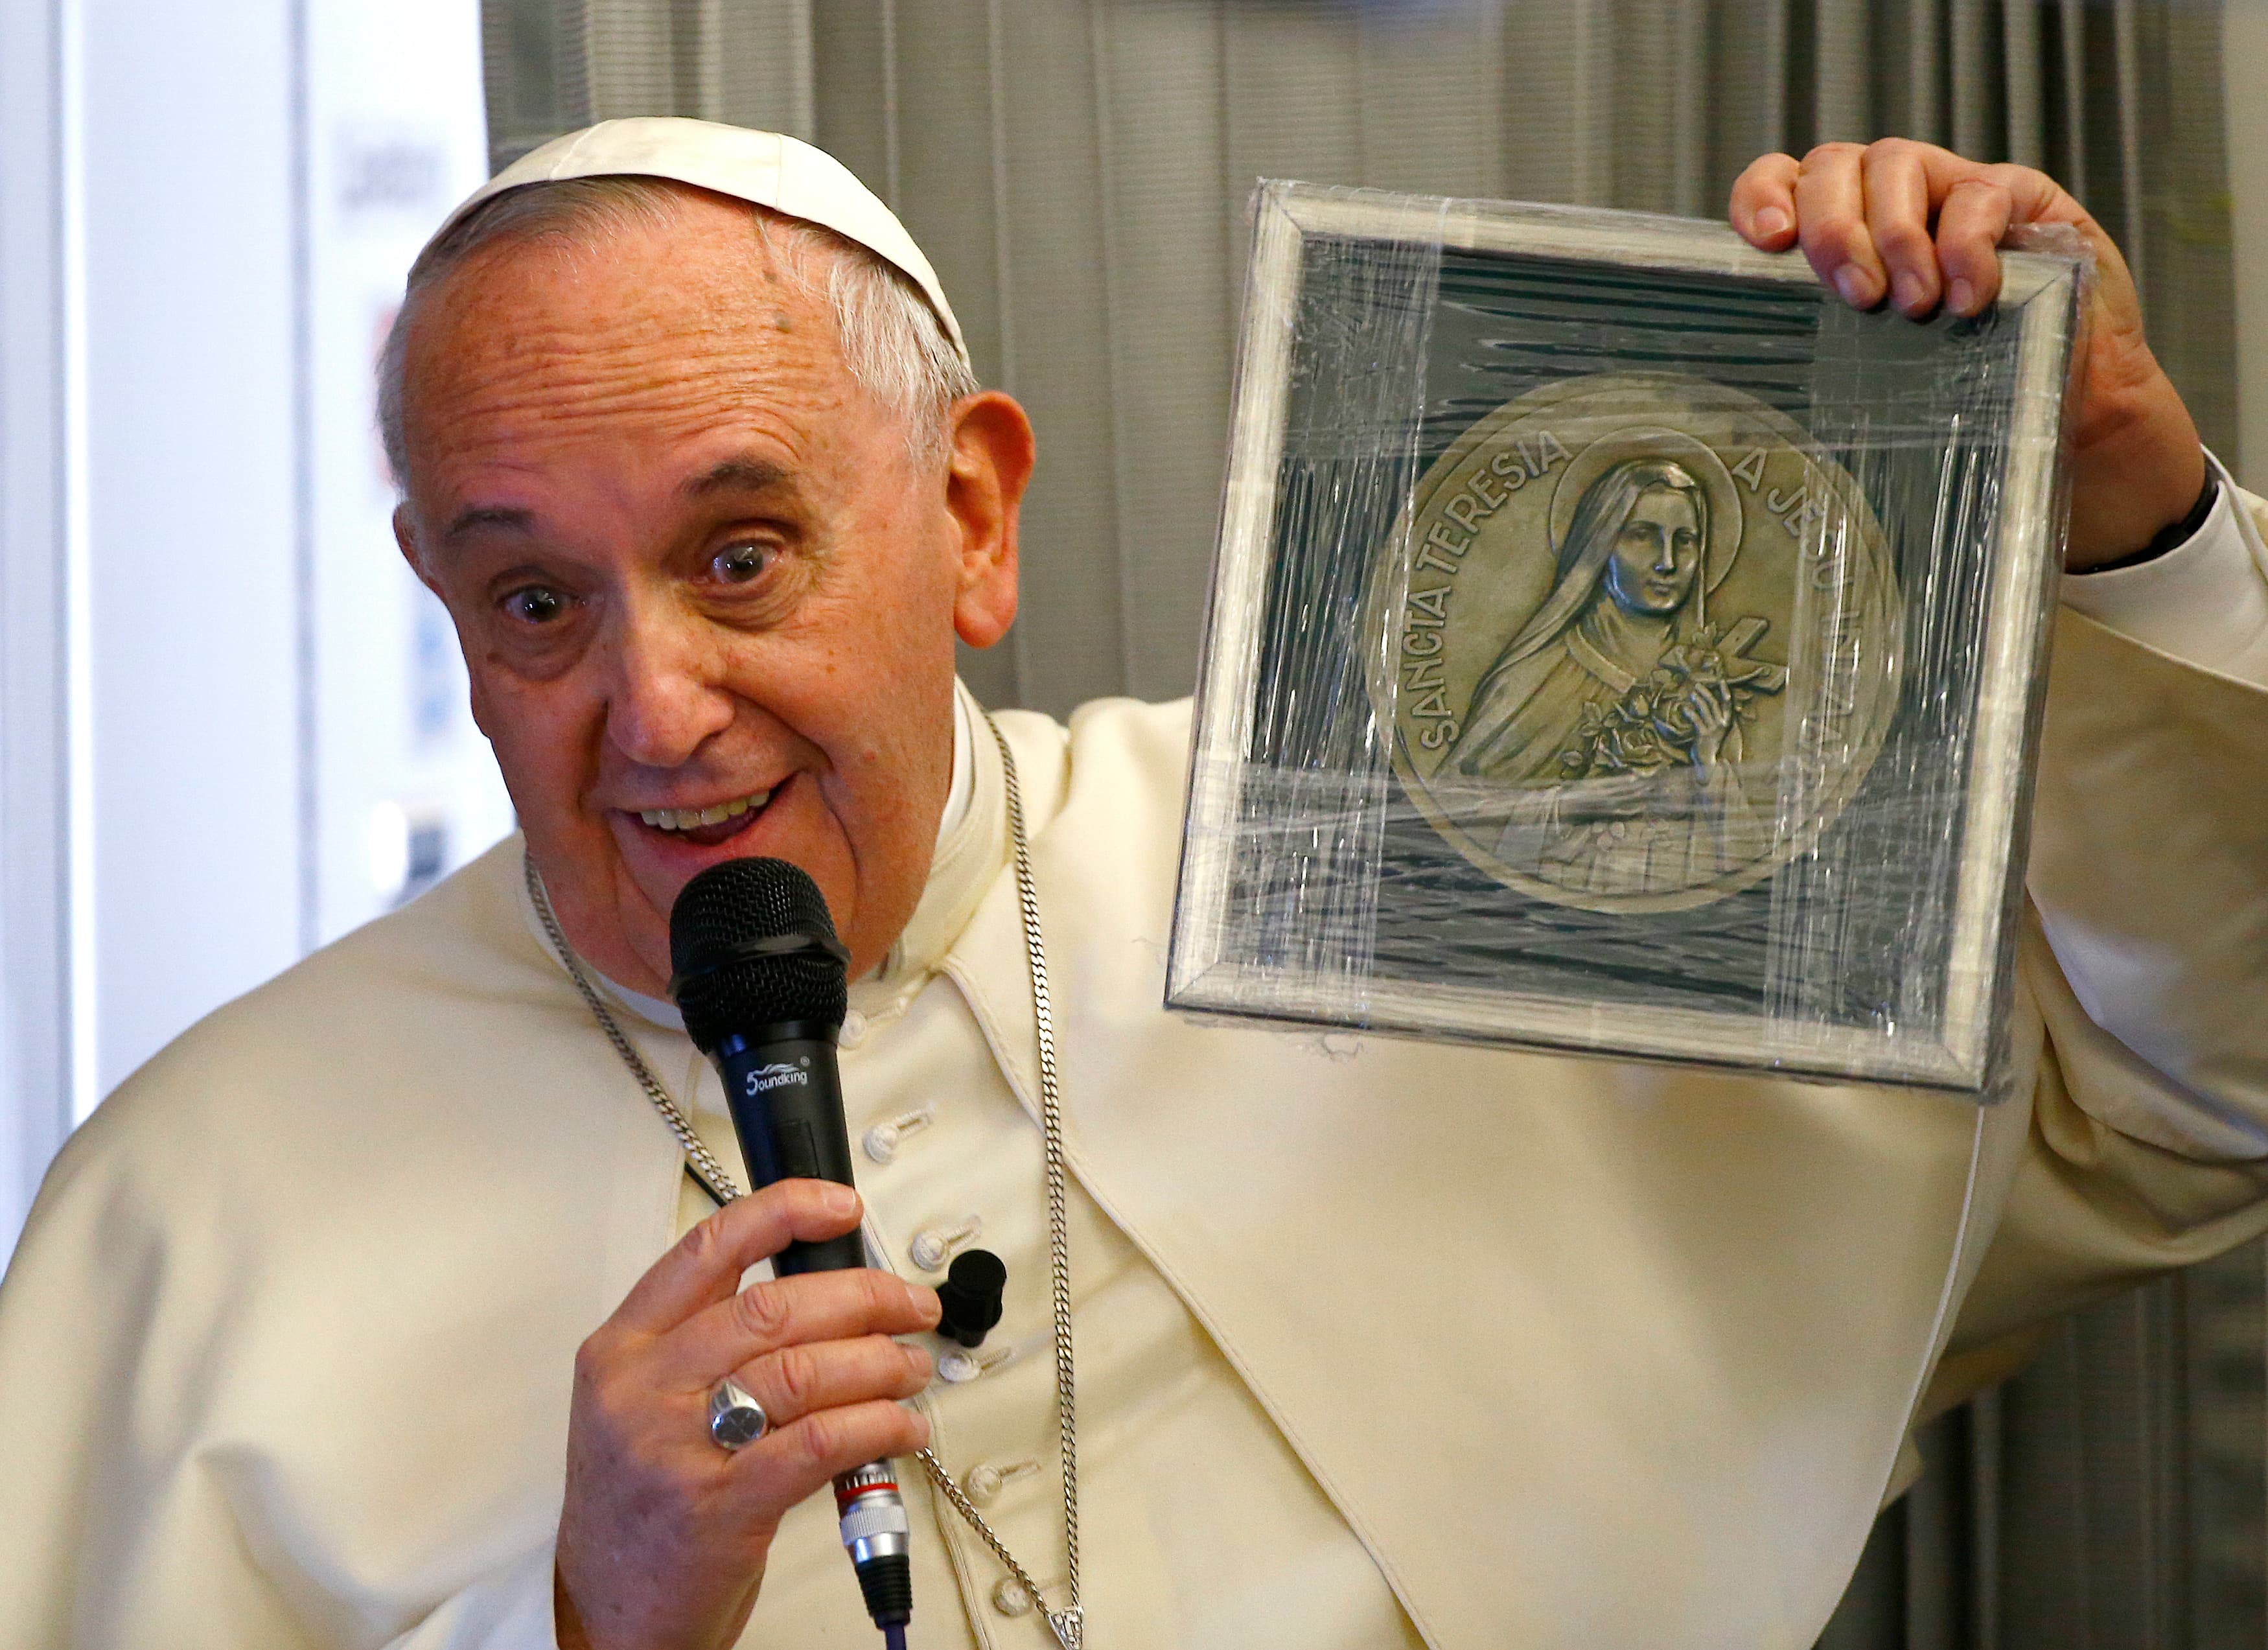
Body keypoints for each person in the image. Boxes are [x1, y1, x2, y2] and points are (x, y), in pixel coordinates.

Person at [0, 120, 2262, 1650]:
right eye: (532, 604)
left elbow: (2193, 1108)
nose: (658, 708)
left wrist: (2125, 517)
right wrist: (596, 1615)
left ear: (973, 519)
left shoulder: (1416, 873)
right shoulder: (195, 1203)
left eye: (742, 552)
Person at [1446, 451, 1781, 894]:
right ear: (1601, 545)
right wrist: (1581, 803)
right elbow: (1453, 818)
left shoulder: (1706, 687)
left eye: (1685, 541)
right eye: (1642, 536)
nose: (1667, 562)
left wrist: (1709, 767)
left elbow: (1748, 861)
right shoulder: (1535, 677)